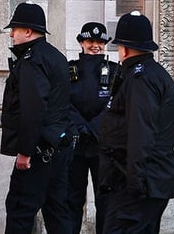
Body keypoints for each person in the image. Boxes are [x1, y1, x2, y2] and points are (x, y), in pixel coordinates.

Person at [99, 11, 174, 234]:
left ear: (124, 49)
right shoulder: (151, 74)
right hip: (146, 180)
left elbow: (140, 134)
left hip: (139, 183)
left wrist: (135, 184)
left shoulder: (140, 79)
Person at [0, 1, 73, 234]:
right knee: (57, 211)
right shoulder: (56, 56)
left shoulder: (32, 60)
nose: (11, 34)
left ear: (28, 31)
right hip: (58, 147)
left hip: (39, 151)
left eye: (15, 29)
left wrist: (25, 151)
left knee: (20, 210)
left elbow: (33, 109)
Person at [67, 22, 120, 234]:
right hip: (76, 144)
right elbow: (63, 102)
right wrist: (81, 127)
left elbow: (116, 102)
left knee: (105, 202)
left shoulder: (116, 71)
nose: (95, 46)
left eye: (100, 41)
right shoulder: (69, 69)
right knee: (71, 199)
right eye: (90, 41)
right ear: (81, 42)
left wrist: (95, 127)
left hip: (103, 146)